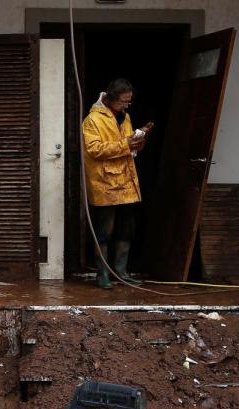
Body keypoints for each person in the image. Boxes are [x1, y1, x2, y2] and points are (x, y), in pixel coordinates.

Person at [81, 78, 151, 289]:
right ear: (110, 98)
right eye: (123, 102)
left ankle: (121, 272)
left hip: (126, 180)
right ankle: (103, 274)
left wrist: (140, 140)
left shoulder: (125, 117)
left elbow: (129, 147)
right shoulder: (92, 120)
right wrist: (125, 144)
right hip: (105, 182)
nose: (126, 106)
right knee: (104, 229)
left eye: (129, 102)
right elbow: (95, 150)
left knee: (126, 228)